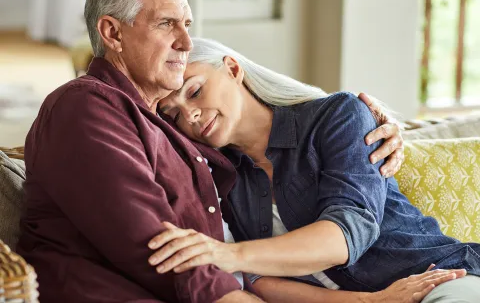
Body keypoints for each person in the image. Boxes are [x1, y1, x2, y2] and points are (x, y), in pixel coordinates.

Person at [16, 0, 403, 303]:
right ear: (113, 34)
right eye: (167, 24)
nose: (185, 43)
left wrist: (374, 119)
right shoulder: (86, 106)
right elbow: (153, 245)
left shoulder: (176, 130)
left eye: (187, 25)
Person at [151, 37, 480, 303]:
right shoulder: (219, 175)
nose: (190, 115)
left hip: (438, 275)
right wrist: (373, 301)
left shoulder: (336, 115)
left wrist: (227, 254)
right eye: (174, 115)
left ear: (233, 69)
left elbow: (345, 234)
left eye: (194, 91)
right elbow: (261, 279)